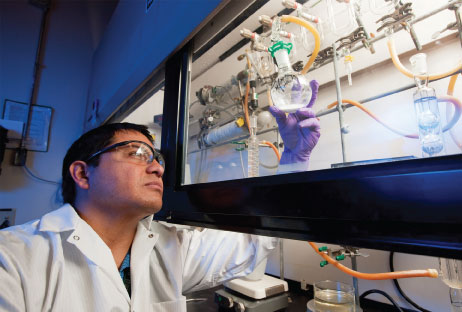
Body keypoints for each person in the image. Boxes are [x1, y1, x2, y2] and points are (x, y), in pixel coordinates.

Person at [0, 123, 279, 311]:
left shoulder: (172, 246)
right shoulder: (12, 257)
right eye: (137, 153)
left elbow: (251, 240)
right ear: (83, 174)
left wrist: (293, 155)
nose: (157, 169)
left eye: (157, 159)